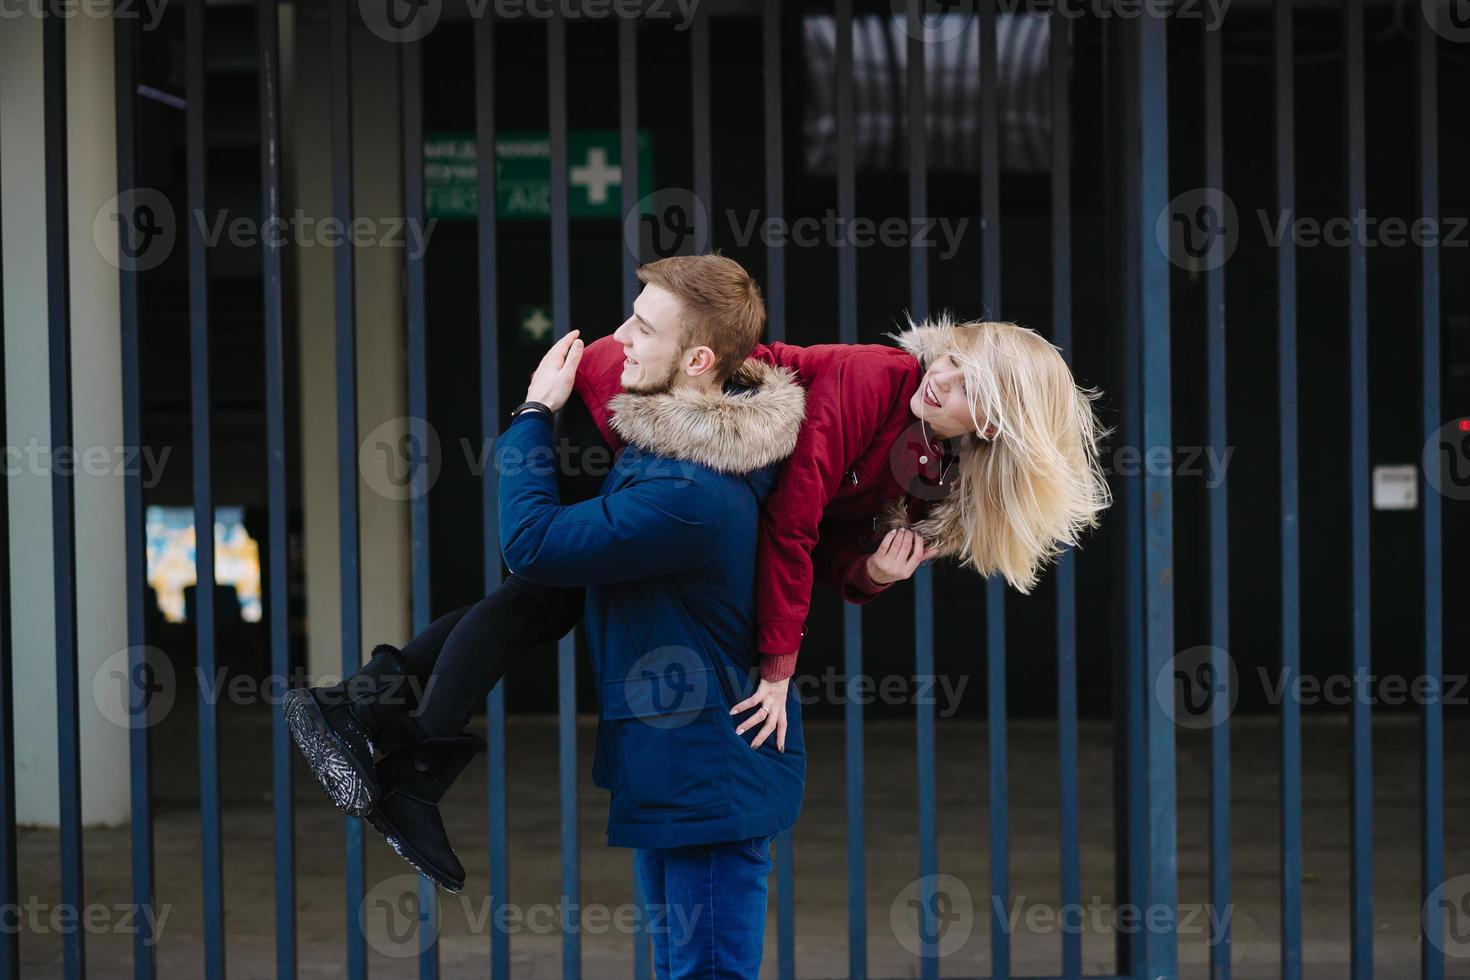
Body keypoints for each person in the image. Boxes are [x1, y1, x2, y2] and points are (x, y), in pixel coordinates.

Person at [284, 253, 1112, 894]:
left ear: (997, 423)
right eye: (956, 355)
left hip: (714, 433)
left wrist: (870, 574)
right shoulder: (879, 378)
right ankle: (404, 754)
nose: (944, 373)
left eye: (969, 381)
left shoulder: (935, 464)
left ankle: (370, 708)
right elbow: (792, 516)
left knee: (544, 598)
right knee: (543, 583)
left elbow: (822, 543)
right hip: (672, 406)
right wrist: (779, 668)